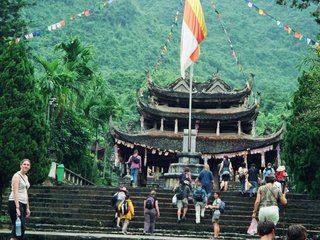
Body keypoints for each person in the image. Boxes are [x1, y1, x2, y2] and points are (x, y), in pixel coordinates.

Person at [8, 159, 31, 240]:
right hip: (15, 203)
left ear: (29, 167)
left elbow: (25, 192)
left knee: (21, 228)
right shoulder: (16, 176)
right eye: (24, 164)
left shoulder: (26, 177)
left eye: (28, 165)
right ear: (20, 165)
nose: (26, 166)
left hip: (23, 203)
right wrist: (17, 207)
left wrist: (27, 207)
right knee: (18, 227)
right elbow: (15, 191)